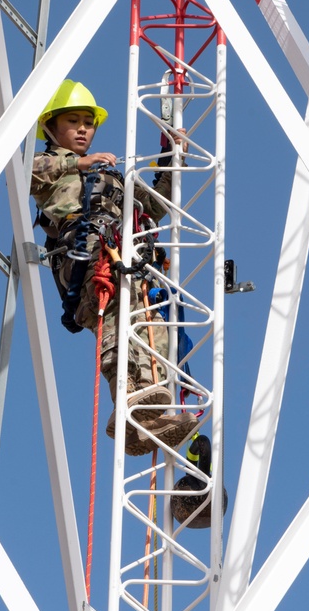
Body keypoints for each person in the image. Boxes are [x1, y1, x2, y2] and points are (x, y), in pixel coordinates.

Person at [31, 78, 200, 457]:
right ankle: (125, 402)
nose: (82, 129)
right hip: (88, 260)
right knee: (116, 324)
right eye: (72, 121)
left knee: (149, 331)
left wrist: (173, 155)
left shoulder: (112, 178)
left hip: (126, 260)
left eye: (87, 123)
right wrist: (78, 162)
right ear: (50, 127)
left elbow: (156, 205)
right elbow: (26, 170)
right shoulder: (49, 167)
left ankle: (148, 412)